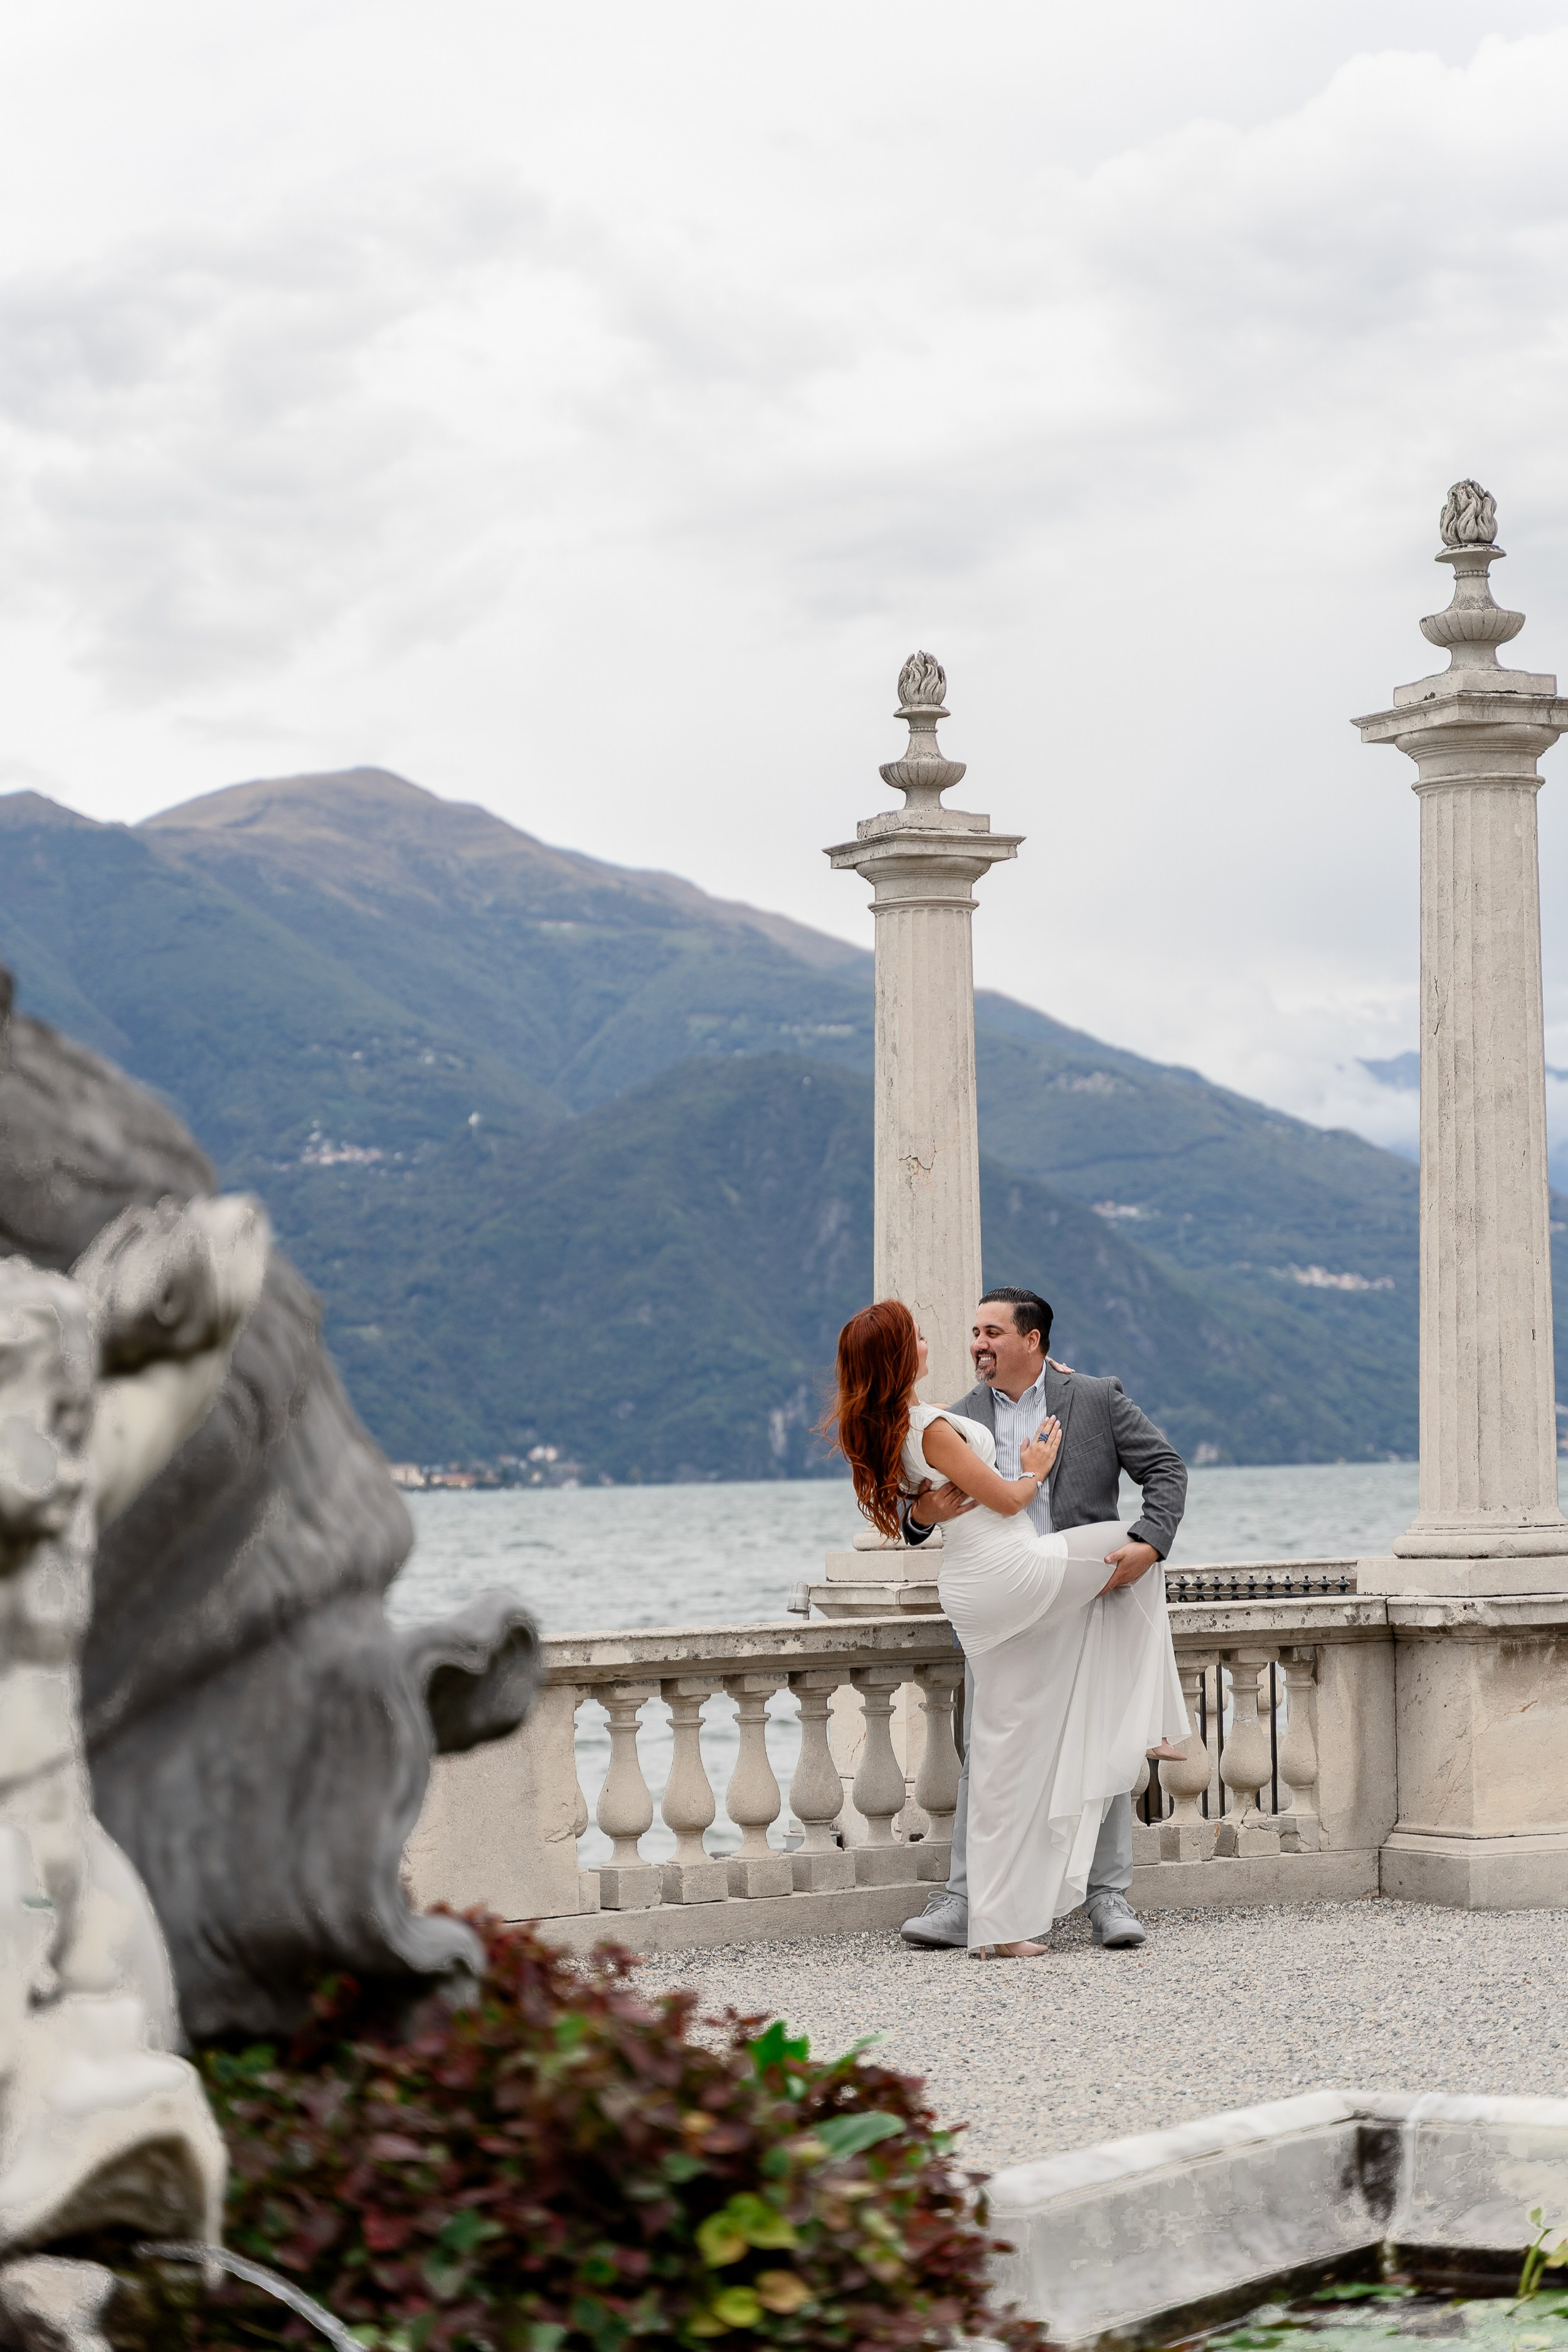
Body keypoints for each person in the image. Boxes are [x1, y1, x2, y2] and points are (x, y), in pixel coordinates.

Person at [824, 1298, 1189, 1957]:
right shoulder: (952, 1415)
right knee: (991, 1755)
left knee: (1088, 1730)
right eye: (973, 1333)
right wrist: (926, 1514)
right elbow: (921, 1506)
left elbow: (1164, 1469)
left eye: (991, 1332)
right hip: (1012, 1587)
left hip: (1066, 1587)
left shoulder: (1095, 1397)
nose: (977, 1344)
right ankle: (972, 1901)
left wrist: (1151, 1539)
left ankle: (1102, 1894)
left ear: (1033, 1339)